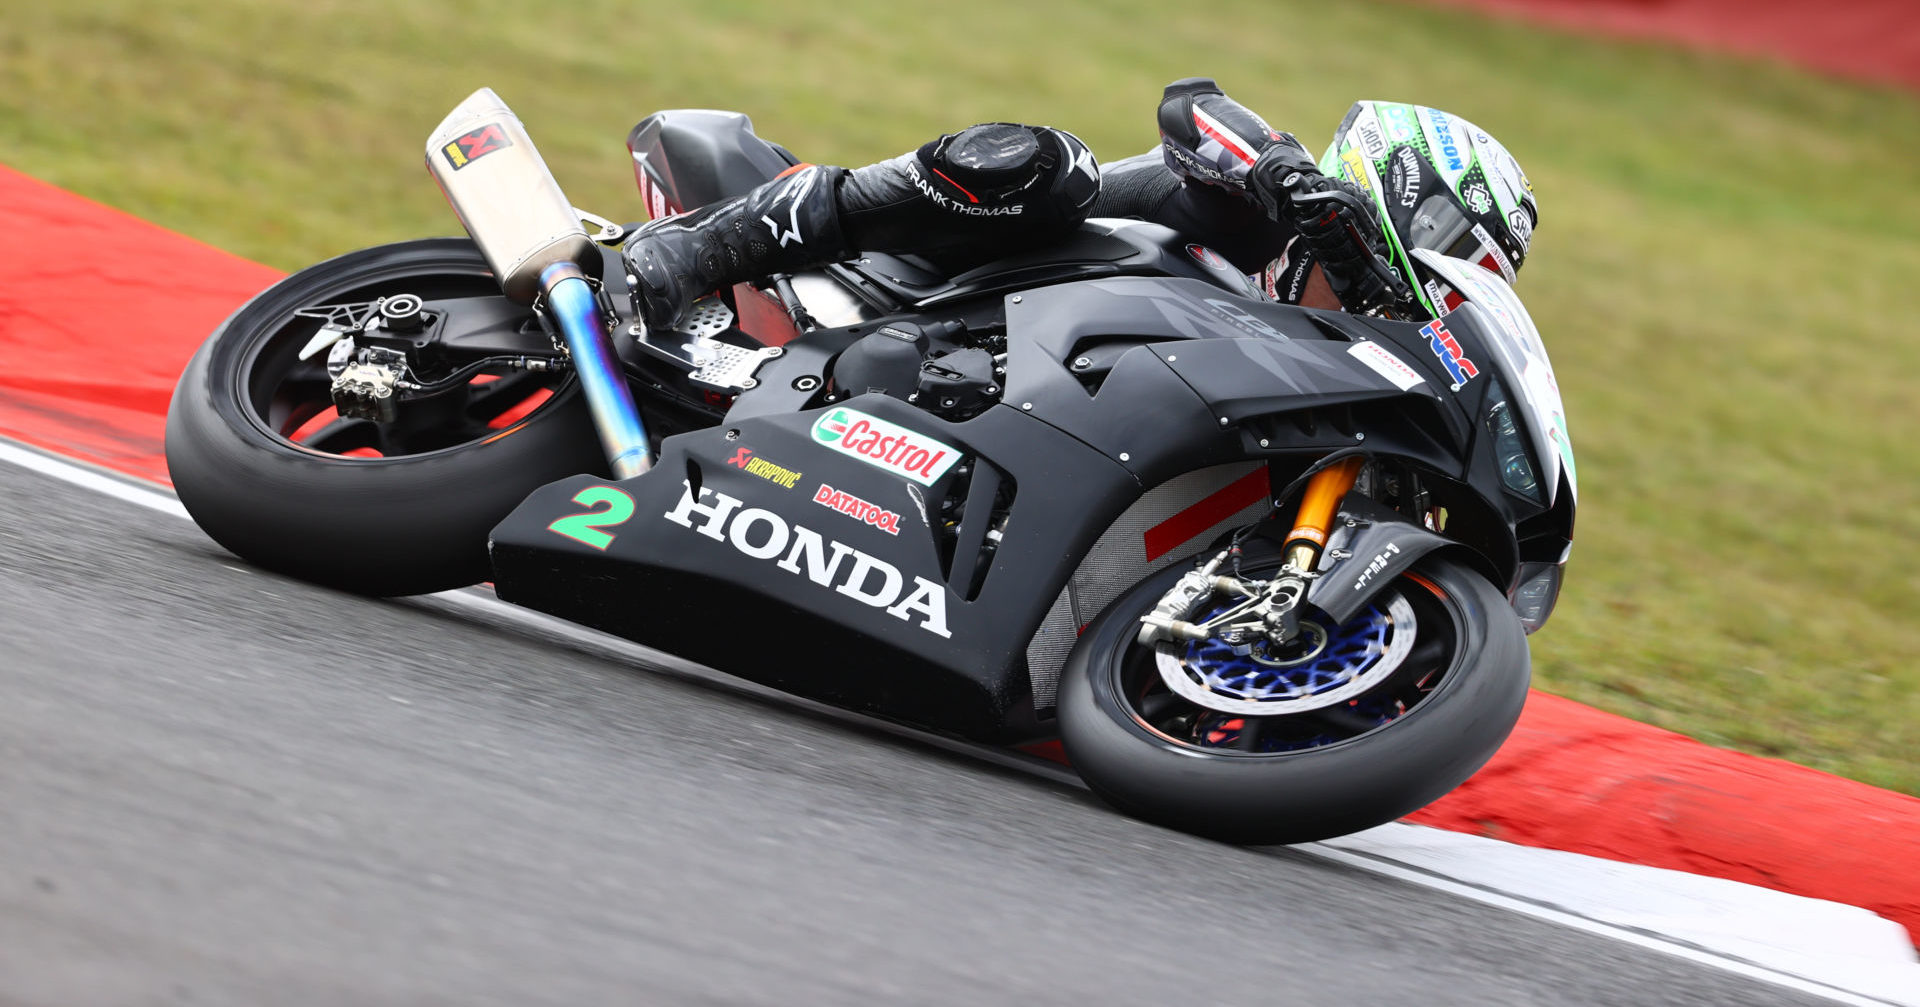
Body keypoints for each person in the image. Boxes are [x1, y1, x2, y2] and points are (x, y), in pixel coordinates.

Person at [622, 78, 1538, 330]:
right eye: (1455, 246)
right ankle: (709, 246)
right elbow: (1190, 100)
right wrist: (1287, 175)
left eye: (1479, 276)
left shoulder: (1342, 356)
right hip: (936, 283)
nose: (1451, 284)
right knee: (1046, 165)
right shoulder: (1264, 206)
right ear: (1398, 187)